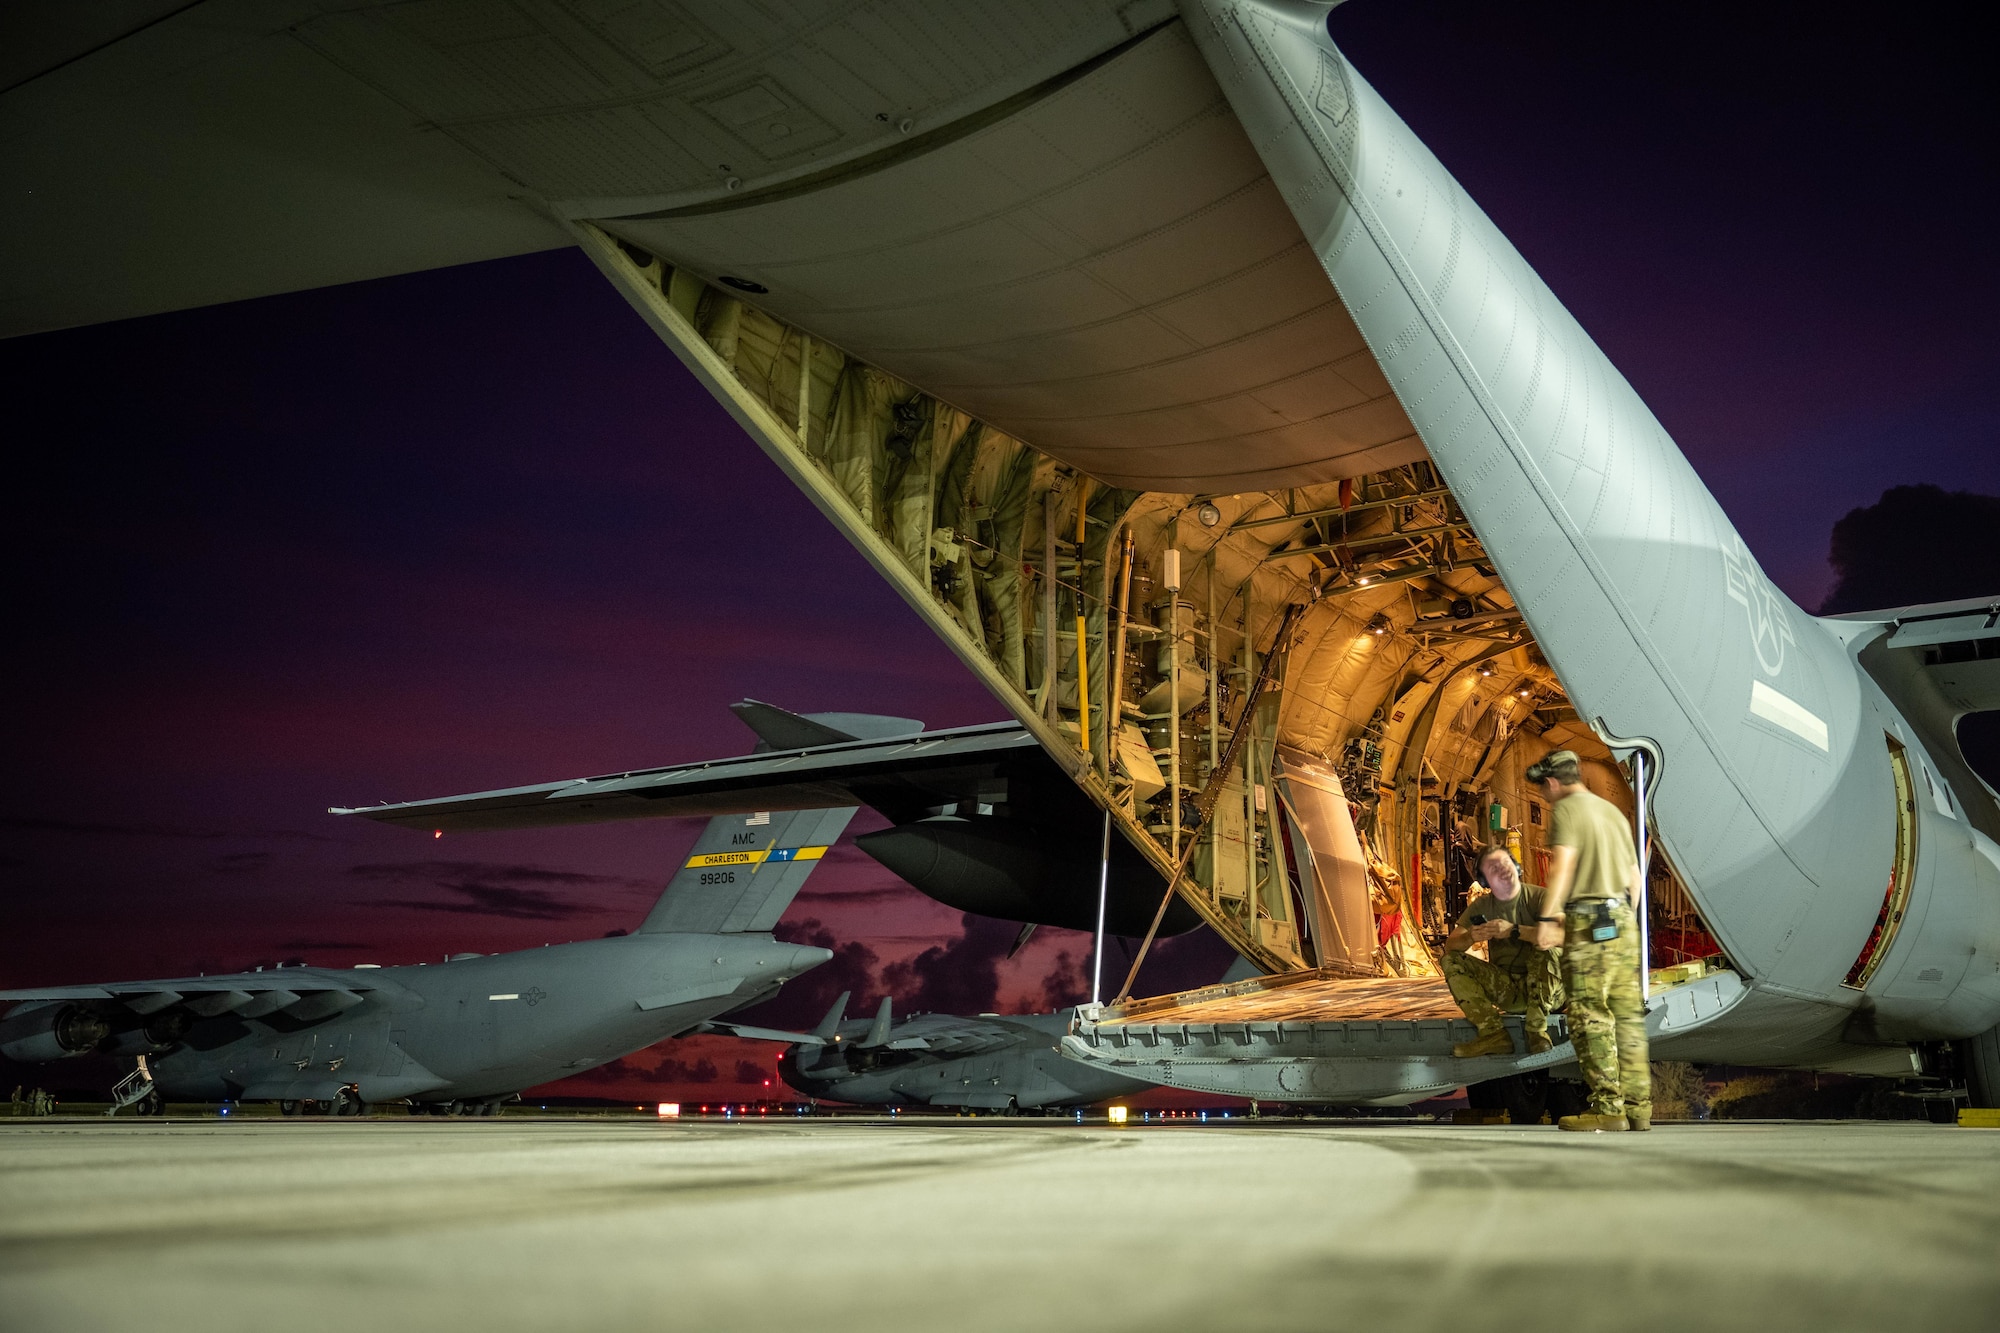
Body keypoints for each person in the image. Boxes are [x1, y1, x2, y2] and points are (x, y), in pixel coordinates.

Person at [1528, 749, 1650, 1132]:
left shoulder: (1567, 810)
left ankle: (1608, 1108)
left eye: (1543, 790)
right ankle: (1639, 1110)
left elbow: (1563, 864)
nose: (1545, 798)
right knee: (1627, 1017)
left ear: (1552, 782)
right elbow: (1634, 878)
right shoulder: (1612, 812)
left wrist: (1549, 917)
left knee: (1589, 1013)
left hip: (1589, 922)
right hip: (1623, 922)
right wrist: (1622, 919)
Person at [1444, 845, 1564, 1059]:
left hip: (1549, 993)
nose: (1503, 870)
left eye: (1506, 863)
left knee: (1548, 947)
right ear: (1485, 881)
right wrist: (1470, 936)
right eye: (1493, 868)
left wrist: (1514, 930)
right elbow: (1451, 946)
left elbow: (1565, 936)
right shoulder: (1482, 905)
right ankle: (1493, 1034)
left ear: (1516, 866)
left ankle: (1536, 1031)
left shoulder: (1540, 897)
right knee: (1452, 960)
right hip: (1509, 990)